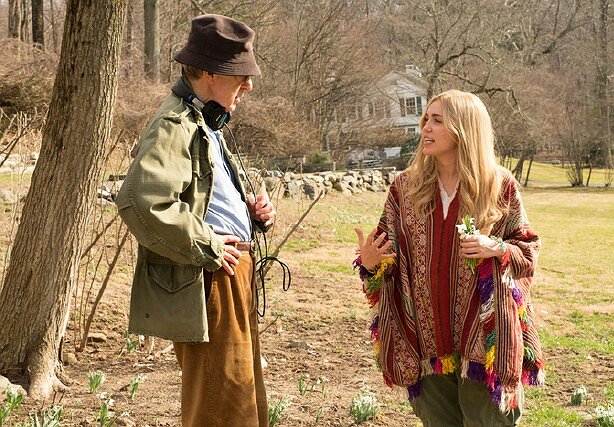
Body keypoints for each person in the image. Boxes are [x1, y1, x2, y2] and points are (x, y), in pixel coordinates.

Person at [115, 14, 275, 427]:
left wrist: (249, 215)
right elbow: (144, 202)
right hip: (210, 280)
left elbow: (204, 201)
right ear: (209, 72)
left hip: (229, 274)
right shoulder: (175, 123)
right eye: (240, 75)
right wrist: (210, 244)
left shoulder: (205, 120)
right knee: (220, 409)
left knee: (241, 402)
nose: (248, 85)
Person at [354, 90, 545, 426]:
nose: (425, 128)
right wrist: (370, 263)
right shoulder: (405, 189)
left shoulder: (499, 186)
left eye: (437, 121)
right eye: (425, 119)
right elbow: (384, 259)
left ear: (464, 129)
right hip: (424, 338)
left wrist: (496, 248)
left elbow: (527, 252)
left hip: (484, 338)